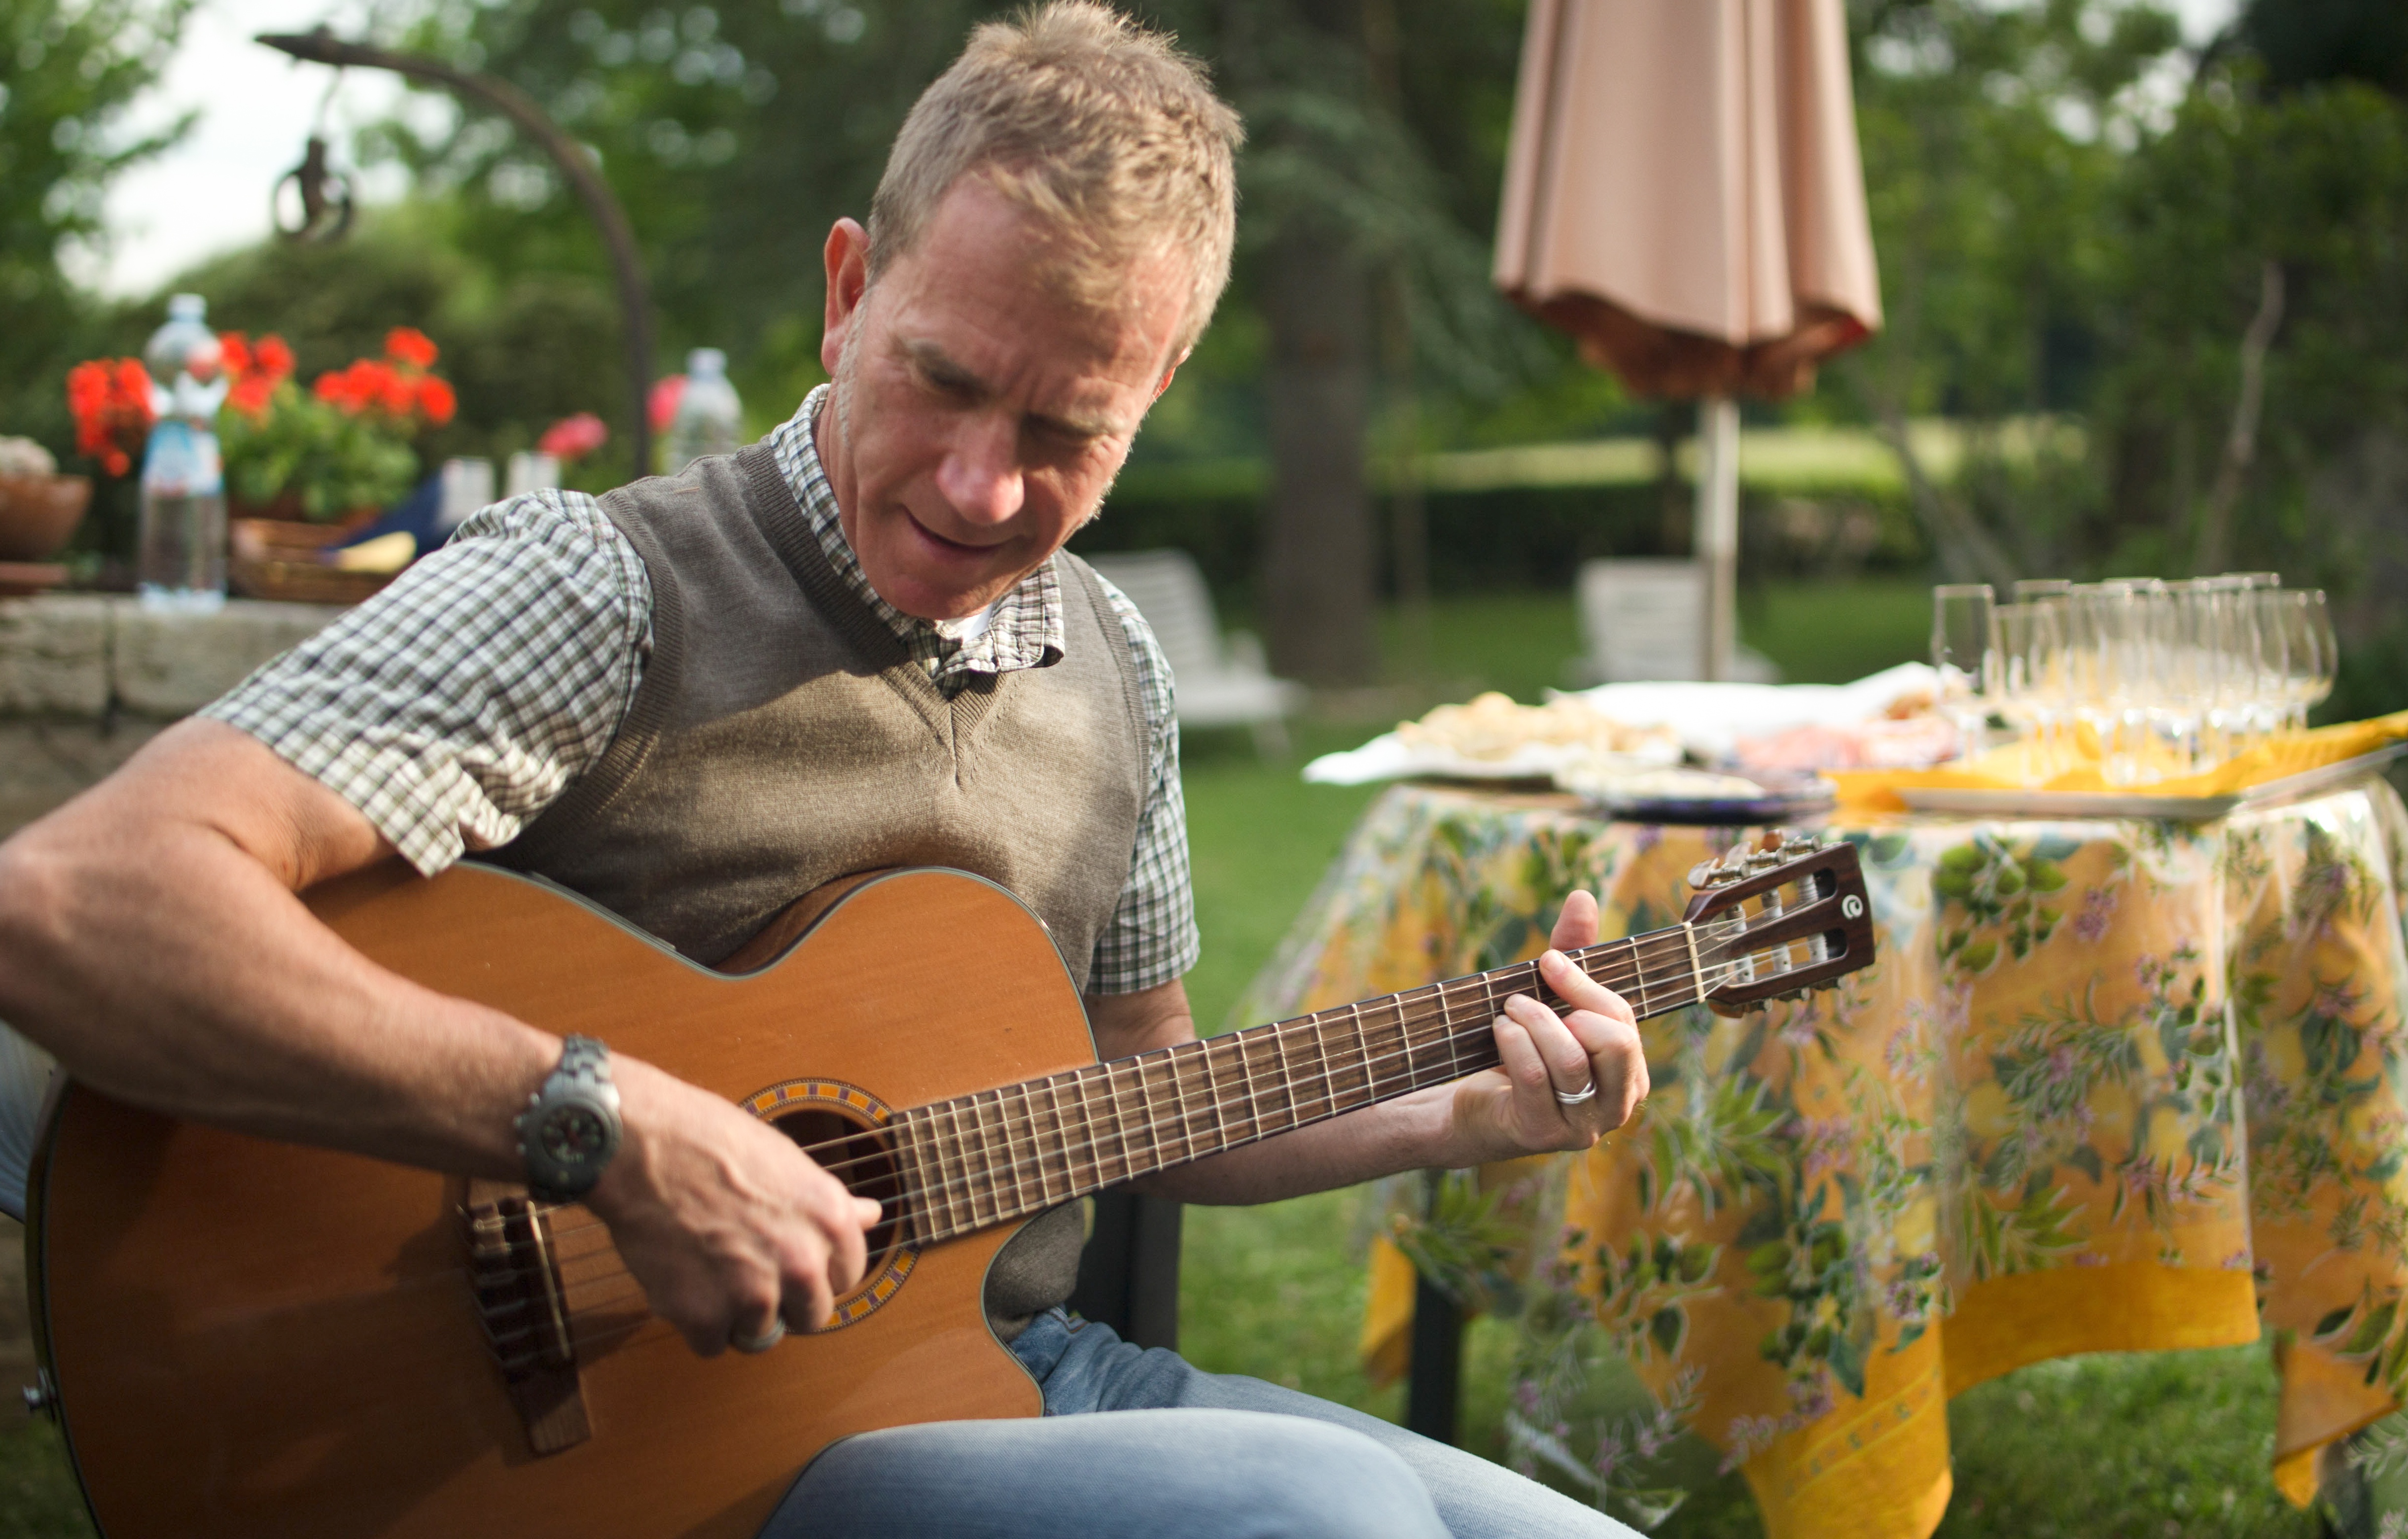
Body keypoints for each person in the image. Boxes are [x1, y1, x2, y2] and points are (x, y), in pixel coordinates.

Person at [0, 6, 1649, 1537]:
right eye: (943, 377)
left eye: (1066, 429)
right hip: (642, 1460)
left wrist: (1455, 1110)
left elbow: (1138, 1101)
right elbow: (72, 902)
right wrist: (608, 1125)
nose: (981, 487)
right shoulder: (602, 593)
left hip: (1002, 1384)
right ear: (849, 288)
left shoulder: (1117, 667)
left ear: (1153, 398)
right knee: (1325, 1516)